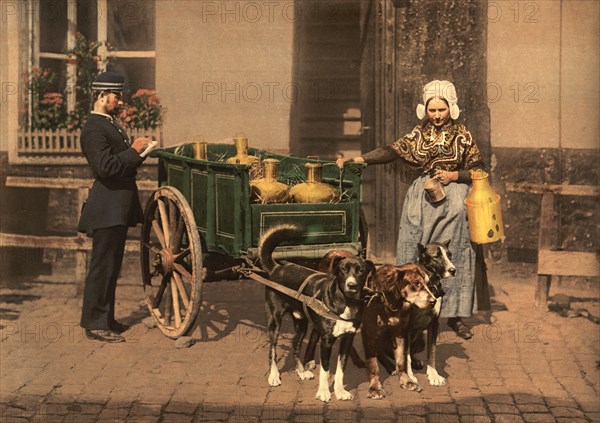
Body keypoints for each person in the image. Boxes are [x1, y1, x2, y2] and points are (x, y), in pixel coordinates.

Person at [337, 80, 484, 339]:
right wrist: (359, 159)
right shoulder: (418, 136)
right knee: (416, 248)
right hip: (422, 198)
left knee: (452, 255)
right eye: (432, 110)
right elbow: (391, 151)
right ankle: (415, 311)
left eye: (442, 110)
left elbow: (480, 170)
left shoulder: (463, 136)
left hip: (454, 202)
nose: (437, 116)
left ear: (451, 108)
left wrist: (454, 174)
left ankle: (454, 315)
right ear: (424, 109)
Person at [78, 71, 152, 343]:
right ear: (101, 96)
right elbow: (106, 167)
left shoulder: (109, 123)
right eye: (116, 96)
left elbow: (121, 164)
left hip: (117, 207)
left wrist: (140, 153)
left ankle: (106, 318)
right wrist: (133, 151)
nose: (121, 102)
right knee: (102, 267)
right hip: (106, 207)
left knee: (112, 266)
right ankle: (94, 323)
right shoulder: (94, 128)